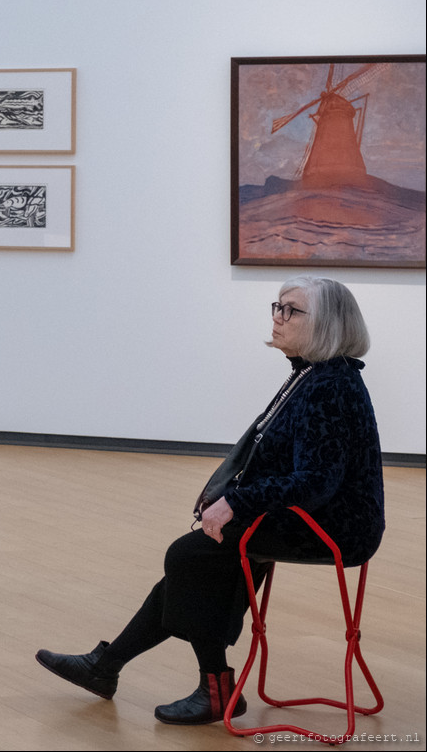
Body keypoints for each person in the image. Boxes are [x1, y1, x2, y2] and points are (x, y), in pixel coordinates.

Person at [35, 276, 384, 725]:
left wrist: (237, 502)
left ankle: (205, 684)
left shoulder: (330, 385)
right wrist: (235, 500)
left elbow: (316, 482)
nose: (278, 317)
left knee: (191, 556)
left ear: (329, 325)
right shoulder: (310, 376)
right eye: (276, 306)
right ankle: (111, 668)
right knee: (202, 558)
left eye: (292, 310)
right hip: (307, 515)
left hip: (334, 525)